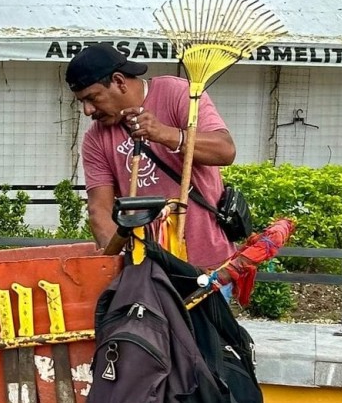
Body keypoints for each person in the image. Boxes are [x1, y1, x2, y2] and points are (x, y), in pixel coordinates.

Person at [66, 43, 237, 272]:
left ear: (119, 81)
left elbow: (225, 151)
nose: (88, 110)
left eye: (93, 98)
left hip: (209, 265)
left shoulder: (180, 94)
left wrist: (166, 134)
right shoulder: (96, 138)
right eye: (82, 102)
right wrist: (118, 267)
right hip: (149, 271)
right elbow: (100, 211)